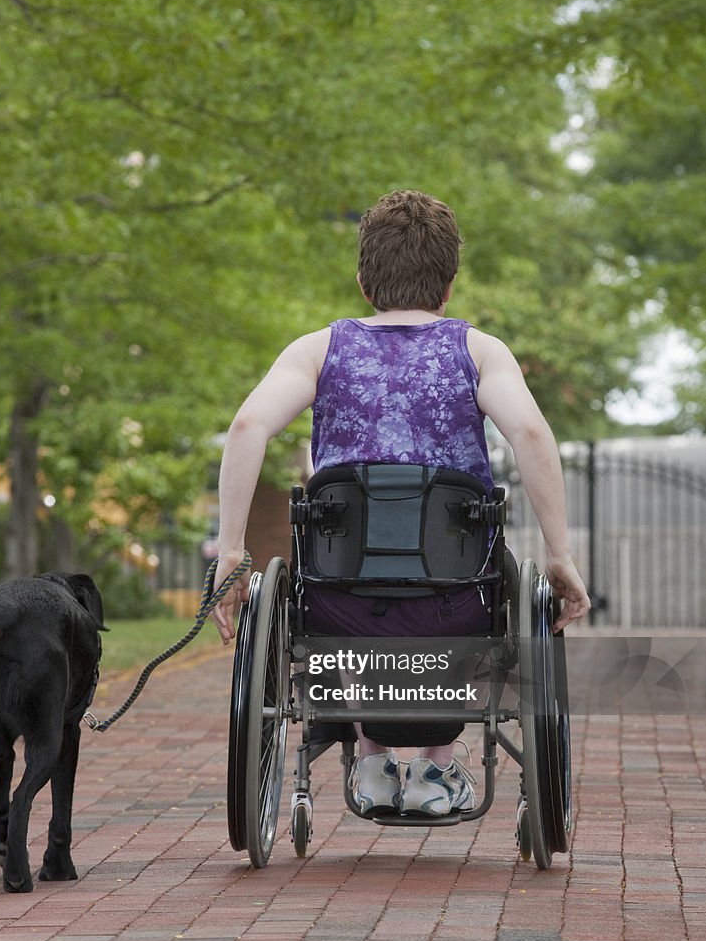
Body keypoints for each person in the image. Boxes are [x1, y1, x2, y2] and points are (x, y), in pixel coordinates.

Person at [210, 189, 590, 818]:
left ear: (364, 281)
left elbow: (248, 428)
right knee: (465, 581)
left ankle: (371, 761)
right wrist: (560, 554)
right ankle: (436, 772)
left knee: (358, 596)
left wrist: (230, 551)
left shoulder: (318, 350)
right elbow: (528, 433)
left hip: (336, 599)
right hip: (458, 596)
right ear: (449, 285)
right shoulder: (479, 351)